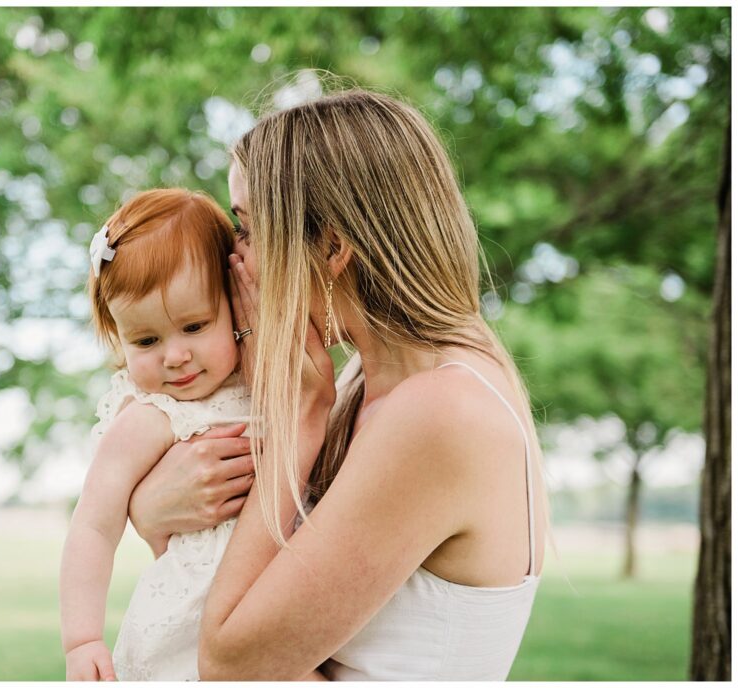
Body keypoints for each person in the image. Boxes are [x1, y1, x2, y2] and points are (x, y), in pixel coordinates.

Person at [128, 88, 548, 680]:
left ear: (331, 246)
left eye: (247, 229)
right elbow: (252, 604)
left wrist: (300, 417)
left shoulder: (441, 412)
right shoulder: (365, 379)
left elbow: (232, 665)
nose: (235, 262)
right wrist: (151, 513)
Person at [58, 188, 256, 681]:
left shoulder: (264, 380)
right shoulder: (150, 417)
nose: (174, 355)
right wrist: (82, 639)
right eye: (146, 340)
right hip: (189, 628)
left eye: (194, 326)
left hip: (272, 601)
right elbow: (93, 527)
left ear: (234, 303)